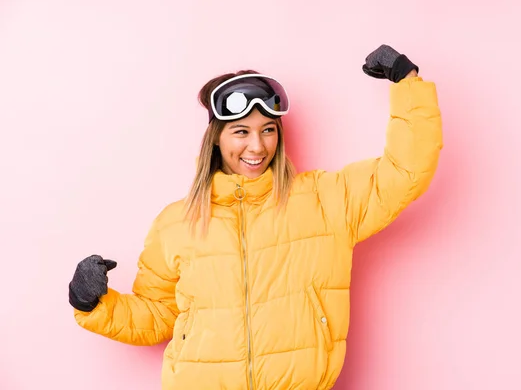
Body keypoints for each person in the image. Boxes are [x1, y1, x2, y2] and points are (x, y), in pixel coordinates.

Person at [68, 44, 443, 390]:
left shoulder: (326, 201)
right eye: (241, 132)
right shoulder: (176, 223)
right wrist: (94, 304)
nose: (257, 146)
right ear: (216, 137)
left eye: (268, 131)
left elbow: (403, 171)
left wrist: (406, 83)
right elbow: (158, 315)